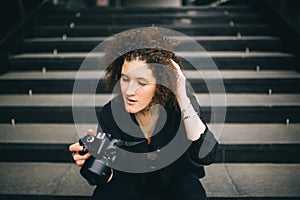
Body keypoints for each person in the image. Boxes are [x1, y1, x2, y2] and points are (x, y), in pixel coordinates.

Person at [69, 27, 218, 200]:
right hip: (131, 182)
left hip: (177, 182)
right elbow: (110, 173)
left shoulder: (182, 106)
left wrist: (181, 94)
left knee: (189, 189)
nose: (129, 91)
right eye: (125, 79)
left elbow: (207, 155)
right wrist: (94, 163)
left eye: (141, 82)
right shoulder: (110, 113)